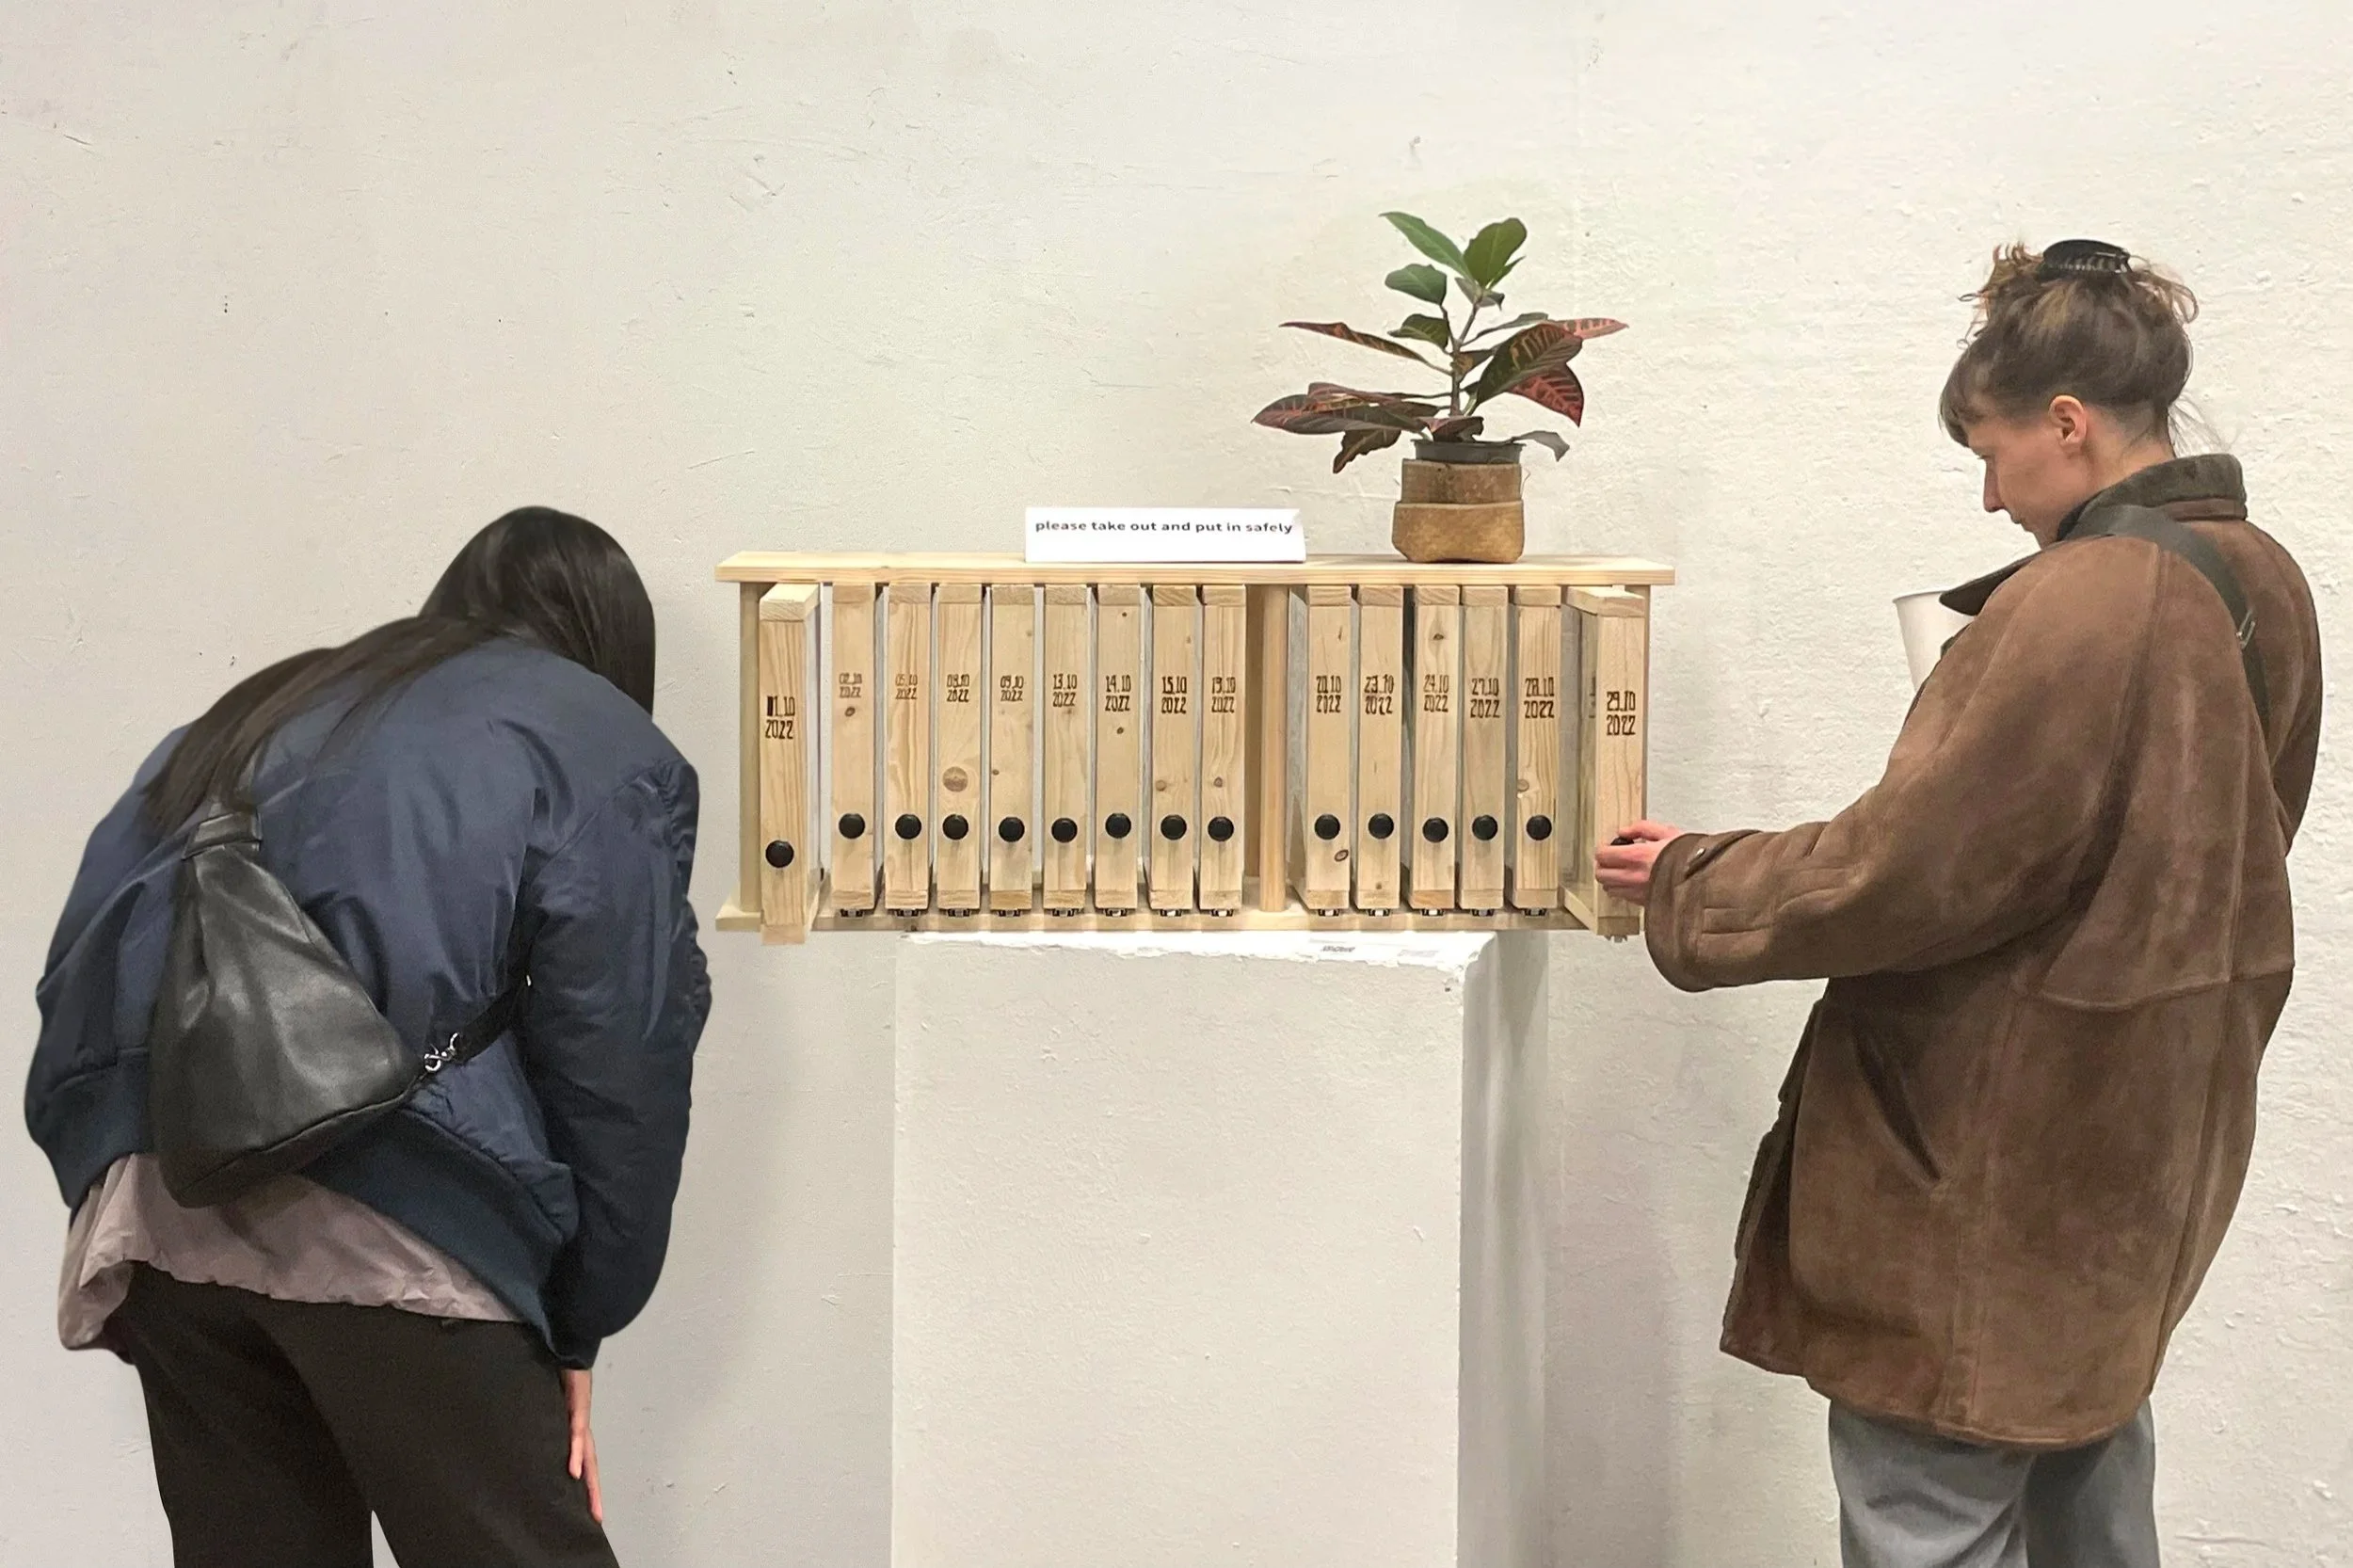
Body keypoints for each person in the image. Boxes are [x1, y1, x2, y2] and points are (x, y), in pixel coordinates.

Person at [1596, 241, 2323, 1567]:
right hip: (2142, 1142)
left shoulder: (2083, 601)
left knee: (1928, 1502)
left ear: (2069, 422)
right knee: (2090, 1478)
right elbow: (2245, 837)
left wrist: (1696, 877)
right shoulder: (2259, 575)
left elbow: (1909, 869)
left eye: (1994, 454)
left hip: (1990, 1160)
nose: (1991, 498)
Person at [25, 507, 712, 1568]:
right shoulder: (594, 738)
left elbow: (84, 953)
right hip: (390, 1220)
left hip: (161, 1212)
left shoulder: (273, 700)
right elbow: (621, 1051)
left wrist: (107, 1155)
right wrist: (580, 1320)